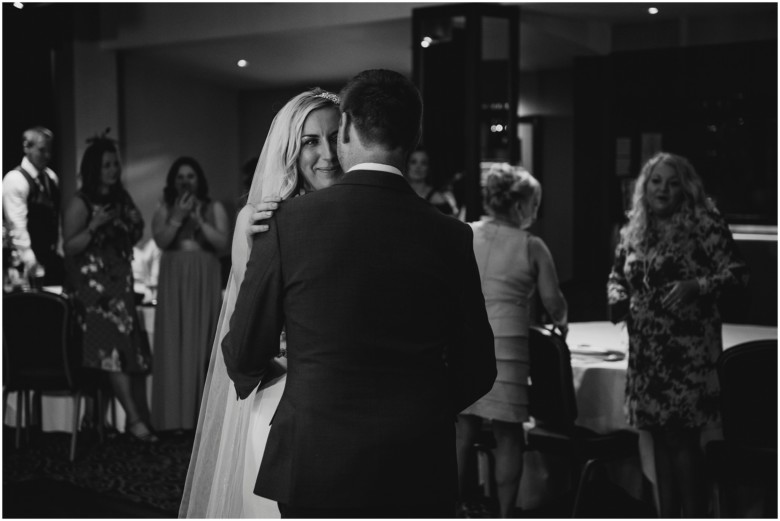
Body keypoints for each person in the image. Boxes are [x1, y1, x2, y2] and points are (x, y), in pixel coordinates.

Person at [221, 69, 496, 518]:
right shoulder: (452, 235)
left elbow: (244, 352)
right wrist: (420, 409)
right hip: (417, 462)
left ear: (347, 127)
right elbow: (479, 367)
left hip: (315, 459)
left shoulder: (288, 226)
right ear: (415, 135)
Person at [178, 87, 345, 518]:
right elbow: (244, 322)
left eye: (334, 136)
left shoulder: (359, 213)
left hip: (353, 403)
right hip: (284, 400)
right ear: (291, 149)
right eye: (310, 141)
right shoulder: (261, 221)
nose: (326, 153)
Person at [607, 152, 748, 517]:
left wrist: (696, 285)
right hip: (646, 352)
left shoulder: (705, 223)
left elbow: (737, 273)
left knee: (681, 439)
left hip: (687, 352)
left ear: (685, 188)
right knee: (656, 437)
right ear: (645, 187)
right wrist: (618, 299)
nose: (663, 190)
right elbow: (617, 277)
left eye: (672, 183)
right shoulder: (635, 227)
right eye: (656, 181)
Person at [455, 163, 568, 518]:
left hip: (466, 343)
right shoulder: (531, 245)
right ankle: (505, 513)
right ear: (520, 206)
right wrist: (562, 320)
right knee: (509, 435)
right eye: (534, 205)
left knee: (462, 430)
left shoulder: (466, 232)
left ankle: (453, 507)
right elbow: (553, 302)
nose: (535, 213)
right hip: (507, 349)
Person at [63, 135, 155, 441]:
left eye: (115, 164)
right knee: (112, 353)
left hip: (121, 285)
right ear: (94, 168)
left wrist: (124, 224)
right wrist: (95, 225)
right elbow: (70, 246)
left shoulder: (121, 199)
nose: (113, 169)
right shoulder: (80, 202)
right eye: (106, 165)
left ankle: (96, 420)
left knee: (124, 353)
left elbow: (137, 230)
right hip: (96, 292)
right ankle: (134, 419)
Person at [150, 157, 229, 432]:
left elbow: (223, 243)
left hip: (204, 275)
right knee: (174, 340)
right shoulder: (164, 207)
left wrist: (198, 221)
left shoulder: (214, 206)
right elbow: (161, 240)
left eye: (191, 177)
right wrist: (177, 218)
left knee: (204, 341)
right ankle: (173, 418)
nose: (185, 182)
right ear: (173, 181)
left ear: (199, 180)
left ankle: (201, 420)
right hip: (174, 277)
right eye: (180, 177)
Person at [3, 126, 65, 286]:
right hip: (25, 262)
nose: (47, 155)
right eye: (42, 150)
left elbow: (56, 217)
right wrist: (30, 260)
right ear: (26, 147)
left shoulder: (51, 177)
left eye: (50, 150)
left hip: (50, 256)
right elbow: (17, 225)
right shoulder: (15, 179)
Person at [406, 146, 459, 216]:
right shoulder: (399, 193)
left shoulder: (438, 199)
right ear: (407, 165)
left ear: (428, 168)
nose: (418, 167)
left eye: (423, 163)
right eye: (413, 162)